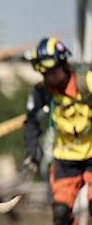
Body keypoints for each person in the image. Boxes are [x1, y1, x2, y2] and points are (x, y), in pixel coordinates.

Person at [24, 37, 92, 225]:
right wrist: (32, 154)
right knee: (60, 213)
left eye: (52, 72)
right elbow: (30, 122)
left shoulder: (86, 83)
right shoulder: (42, 91)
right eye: (44, 73)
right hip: (65, 159)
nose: (49, 78)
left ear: (63, 64)